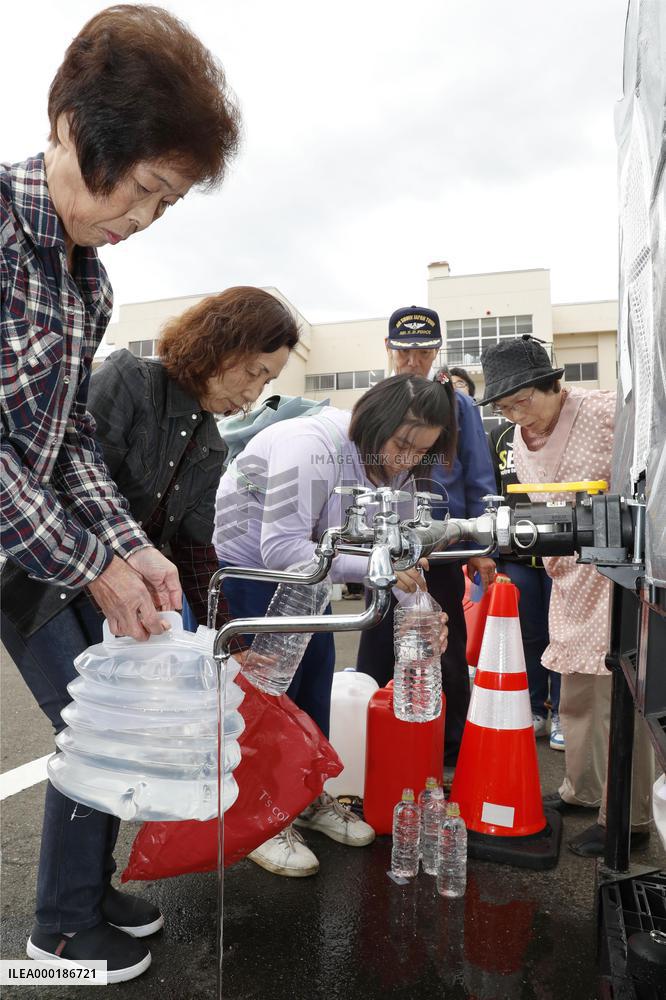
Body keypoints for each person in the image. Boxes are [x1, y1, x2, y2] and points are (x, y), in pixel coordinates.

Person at [1, 5, 240, 982]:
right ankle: (57, 933)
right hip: (30, 539)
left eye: (165, 205)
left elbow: (67, 443)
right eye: (141, 189)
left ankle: (79, 906)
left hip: (23, 544)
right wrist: (93, 560)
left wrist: (129, 544)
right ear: (69, 126)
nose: (141, 220)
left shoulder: (88, 281)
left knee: (96, 714)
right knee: (87, 714)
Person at [214, 374, 455, 876]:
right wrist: (375, 568)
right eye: (402, 444)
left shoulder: (398, 473)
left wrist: (425, 611)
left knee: (313, 687)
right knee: (264, 699)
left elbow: (401, 552)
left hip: (313, 575)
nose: (407, 459)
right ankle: (258, 816)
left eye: (422, 450)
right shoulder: (312, 446)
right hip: (253, 575)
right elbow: (279, 548)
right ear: (373, 420)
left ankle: (303, 797)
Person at [478, 335, 654, 857]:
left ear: (554, 384)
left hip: (620, 569)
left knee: (619, 695)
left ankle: (629, 815)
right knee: (575, 691)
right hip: (570, 575)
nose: (516, 414)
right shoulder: (515, 436)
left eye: (523, 401)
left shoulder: (606, 412)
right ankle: (583, 789)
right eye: (506, 406)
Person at [90, 287, 297, 630]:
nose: (253, 393)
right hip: (58, 579)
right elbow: (73, 482)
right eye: (252, 371)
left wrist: (231, 640)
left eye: (267, 381)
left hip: (129, 593)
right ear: (218, 345)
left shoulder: (213, 446)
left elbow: (195, 553)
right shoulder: (130, 381)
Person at [356, 306, 496, 770]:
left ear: (437, 351)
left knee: (445, 647)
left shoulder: (459, 405)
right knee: (375, 639)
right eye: (404, 351)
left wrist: (481, 545)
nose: (413, 360)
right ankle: (368, 740)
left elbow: (479, 475)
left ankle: (452, 751)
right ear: (389, 350)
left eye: (423, 350)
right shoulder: (379, 398)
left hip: (442, 546)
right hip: (386, 544)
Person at [487, 419, 562, 749]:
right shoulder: (499, 435)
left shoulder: (561, 427)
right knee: (528, 636)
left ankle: (562, 712)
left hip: (560, 551)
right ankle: (534, 709)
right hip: (516, 552)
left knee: (561, 636)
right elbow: (490, 491)